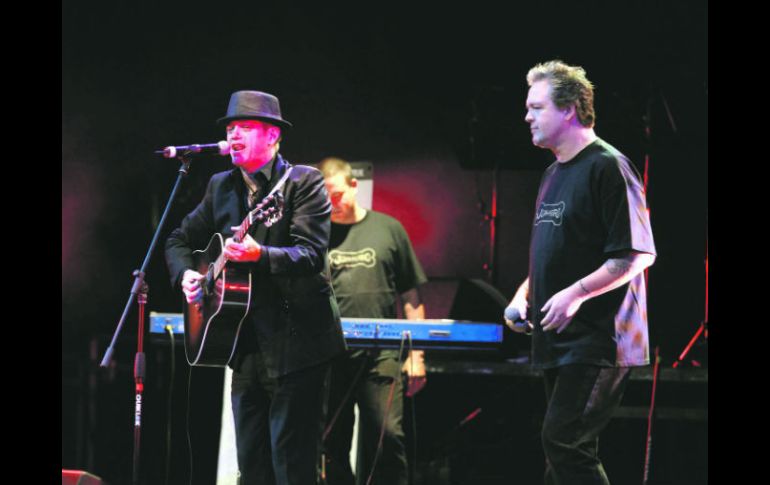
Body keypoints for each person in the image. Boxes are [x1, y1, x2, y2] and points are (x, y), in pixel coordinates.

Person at [165, 90, 346, 485]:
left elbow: (312, 255)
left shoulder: (303, 182)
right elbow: (177, 239)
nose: (233, 135)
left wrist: (259, 254)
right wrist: (187, 276)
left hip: (298, 347)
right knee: (252, 468)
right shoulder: (220, 185)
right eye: (230, 128)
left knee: (293, 467)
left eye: (244, 127)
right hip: (243, 345)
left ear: (272, 136)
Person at [505, 60, 656, 485]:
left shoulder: (609, 166)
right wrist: (523, 296)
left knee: (565, 442)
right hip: (561, 339)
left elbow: (636, 254)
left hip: (599, 338)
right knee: (560, 455)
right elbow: (553, 254)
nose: (527, 117)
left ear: (568, 108)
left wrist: (575, 294)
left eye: (536, 107)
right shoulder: (553, 173)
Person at [318, 157, 428, 485]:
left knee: (387, 435)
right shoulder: (316, 236)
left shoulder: (388, 229)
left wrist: (417, 356)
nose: (331, 203)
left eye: (336, 194)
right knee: (330, 440)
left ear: (354, 186)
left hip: (382, 353)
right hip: (331, 354)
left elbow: (411, 297)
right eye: (324, 198)